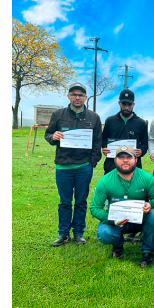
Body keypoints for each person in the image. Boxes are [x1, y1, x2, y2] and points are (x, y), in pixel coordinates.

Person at [44, 82, 102, 247]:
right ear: (68, 96)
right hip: (63, 166)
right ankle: (63, 234)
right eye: (74, 94)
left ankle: (78, 233)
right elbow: (48, 134)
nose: (77, 97)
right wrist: (53, 137)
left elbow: (97, 142)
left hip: (84, 166)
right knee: (64, 201)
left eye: (81, 95)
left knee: (81, 201)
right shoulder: (58, 114)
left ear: (85, 97)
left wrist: (92, 162)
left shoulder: (93, 117)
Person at [89, 145, 154, 266]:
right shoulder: (105, 181)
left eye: (129, 157)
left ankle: (147, 251)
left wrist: (151, 204)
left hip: (140, 219)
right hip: (117, 221)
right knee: (104, 233)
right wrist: (112, 220)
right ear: (115, 160)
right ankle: (117, 246)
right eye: (121, 157)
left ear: (136, 159)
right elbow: (94, 208)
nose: (125, 160)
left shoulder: (146, 177)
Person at [101, 88, 149, 243]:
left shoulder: (141, 123)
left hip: (134, 169)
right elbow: (103, 141)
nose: (126, 107)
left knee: (133, 199)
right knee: (113, 199)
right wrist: (104, 149)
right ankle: (115, 228)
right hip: (112, 167)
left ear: (133, 104)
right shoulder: (110, 121)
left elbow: (145, 143)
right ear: (119, 103)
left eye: (129, 104)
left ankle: (133, 229)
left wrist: (142, 151)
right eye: (124, 104)